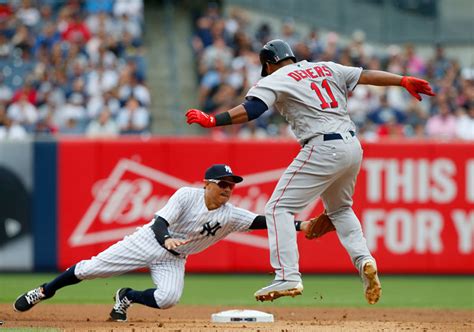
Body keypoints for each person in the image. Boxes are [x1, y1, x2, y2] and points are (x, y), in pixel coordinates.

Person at [186, 39, 435, 304]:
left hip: (322, 146)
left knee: (277, 208)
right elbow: (365, 75)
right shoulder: (326, 67)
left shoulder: (276, 78)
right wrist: (402, 79)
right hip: (352, 145)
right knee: (340, 210)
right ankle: (364, 260)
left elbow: (253, 109)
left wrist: (215, 120)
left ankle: (287, 275)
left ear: (269, 64)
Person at [13, 164, 321, 322]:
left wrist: (300, 225)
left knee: (168, 299)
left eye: (232, 185)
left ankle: (127, 296)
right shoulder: (187, 195)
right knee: (91, 269)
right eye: (224, 184)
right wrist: (166, 239)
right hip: (149, 241)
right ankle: (44, 290)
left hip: (174, 258)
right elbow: (160, 223)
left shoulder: (230, 214)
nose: (229, 189)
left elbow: (260, 221)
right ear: (208, 184)